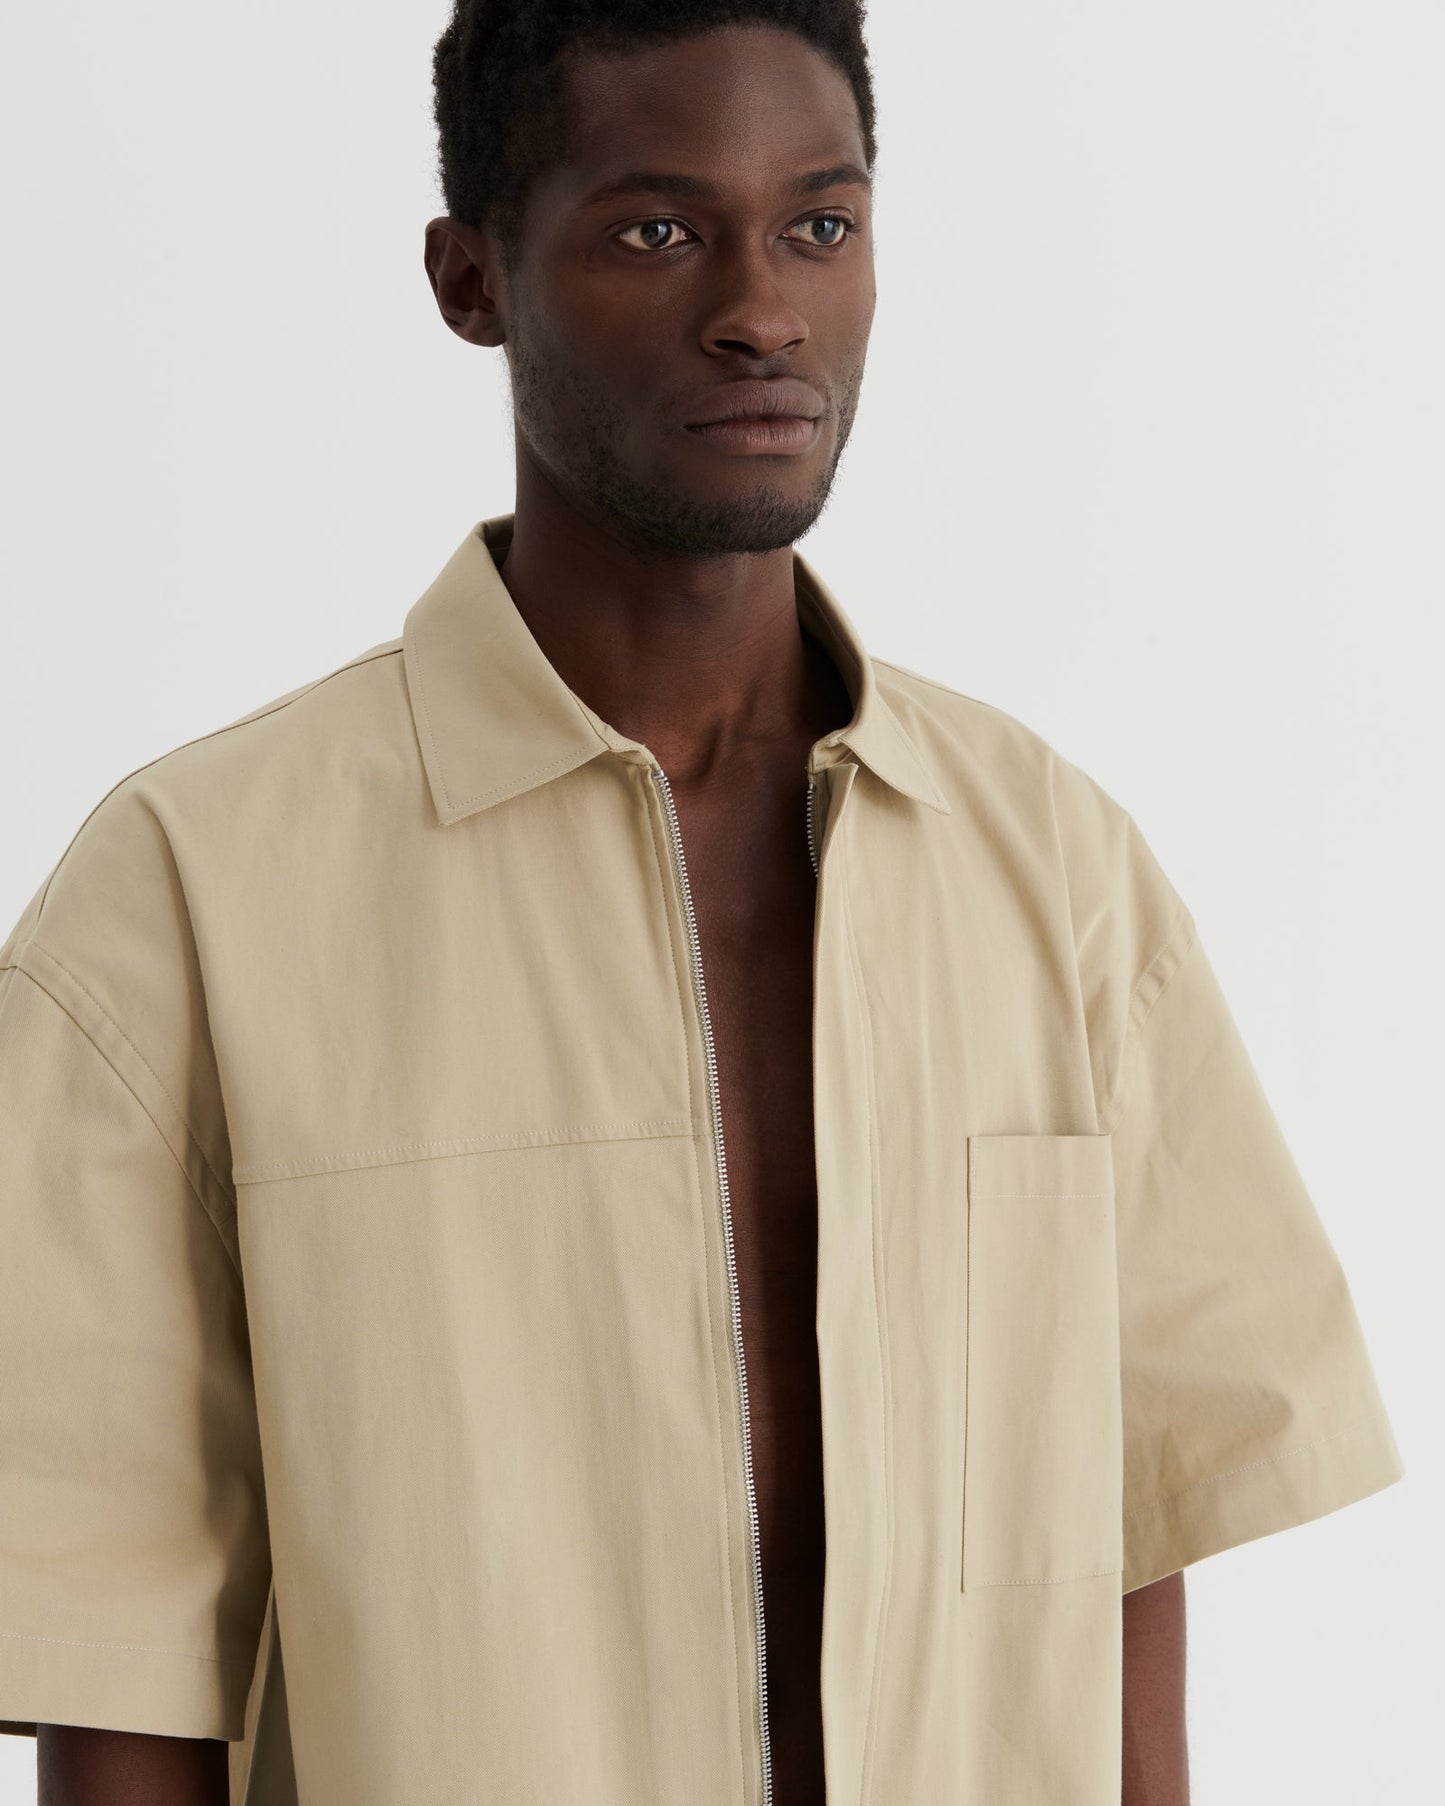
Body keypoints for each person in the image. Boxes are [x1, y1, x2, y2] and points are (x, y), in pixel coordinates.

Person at [0, 4, 1405, 1804]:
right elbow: (119, 1670)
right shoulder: (189, 897)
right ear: (471, 278)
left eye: (818, 223)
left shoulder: (1053, 869)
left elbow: (1133, 1542)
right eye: (657, 229)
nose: (762, 309)